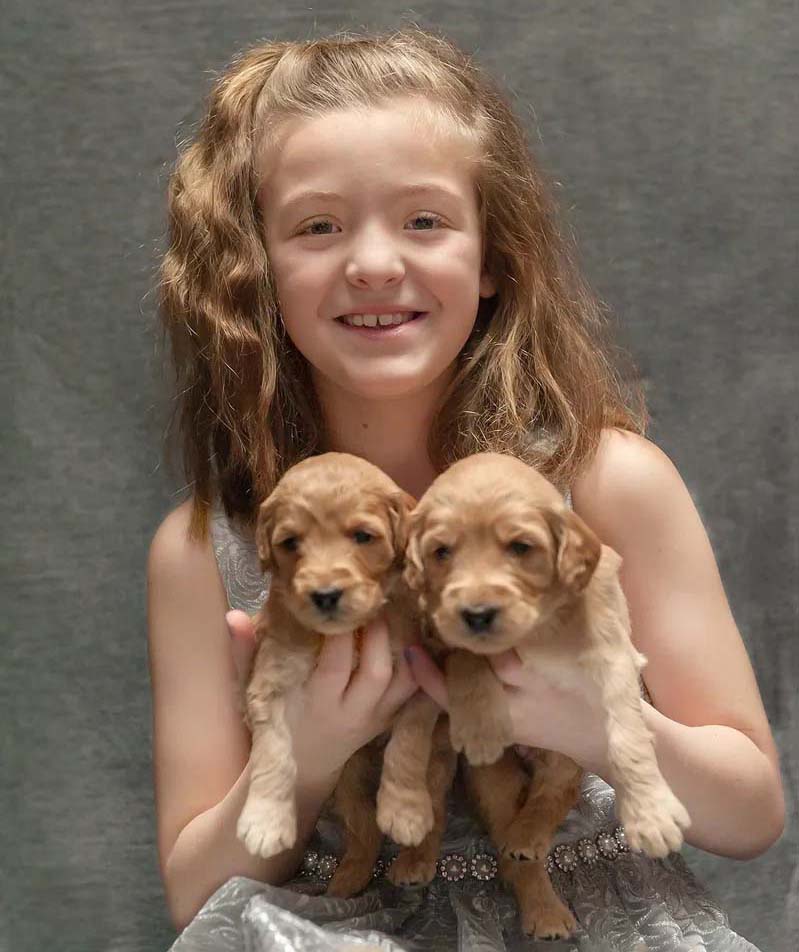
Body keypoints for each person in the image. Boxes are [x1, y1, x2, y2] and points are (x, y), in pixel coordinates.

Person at [146, 25, 785, 951]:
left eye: (423, 220)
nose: (372, 262)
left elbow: (750, 811)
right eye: (318, 226)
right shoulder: (205, 549)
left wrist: (594, 722)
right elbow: (189, 891)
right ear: (255, 275)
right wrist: (312, 752)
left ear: (490, 259)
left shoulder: (609, 483)